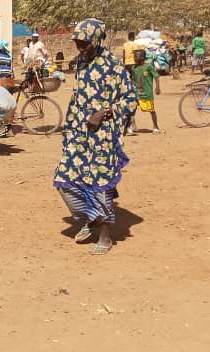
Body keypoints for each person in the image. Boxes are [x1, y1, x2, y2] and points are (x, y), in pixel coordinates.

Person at [53, 18, 137, 256]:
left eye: (84, 43)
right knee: (64, 178)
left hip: (102, 137)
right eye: (78, 42)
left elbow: (131, 99)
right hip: (79, 134)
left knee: (100, 185)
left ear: (96, 40)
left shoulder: (113, 66)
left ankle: (105, 235)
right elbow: (78, 98)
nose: (80, 47)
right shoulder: (81, 62)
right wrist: (70, 127)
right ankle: (91, 219)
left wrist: (104, 113)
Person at [131, 50, 162, 135]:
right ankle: (132, 126)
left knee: (151, 110)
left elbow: (156, 77)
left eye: (136, 56)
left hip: (147, 93)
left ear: (143, 58)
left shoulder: (149, 67)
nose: (135, 58)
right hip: (137, 92)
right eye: (134, 56)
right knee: (132, 109)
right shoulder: (134, 68)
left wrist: (157, 88)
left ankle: (155, 127)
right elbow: (133, 79)